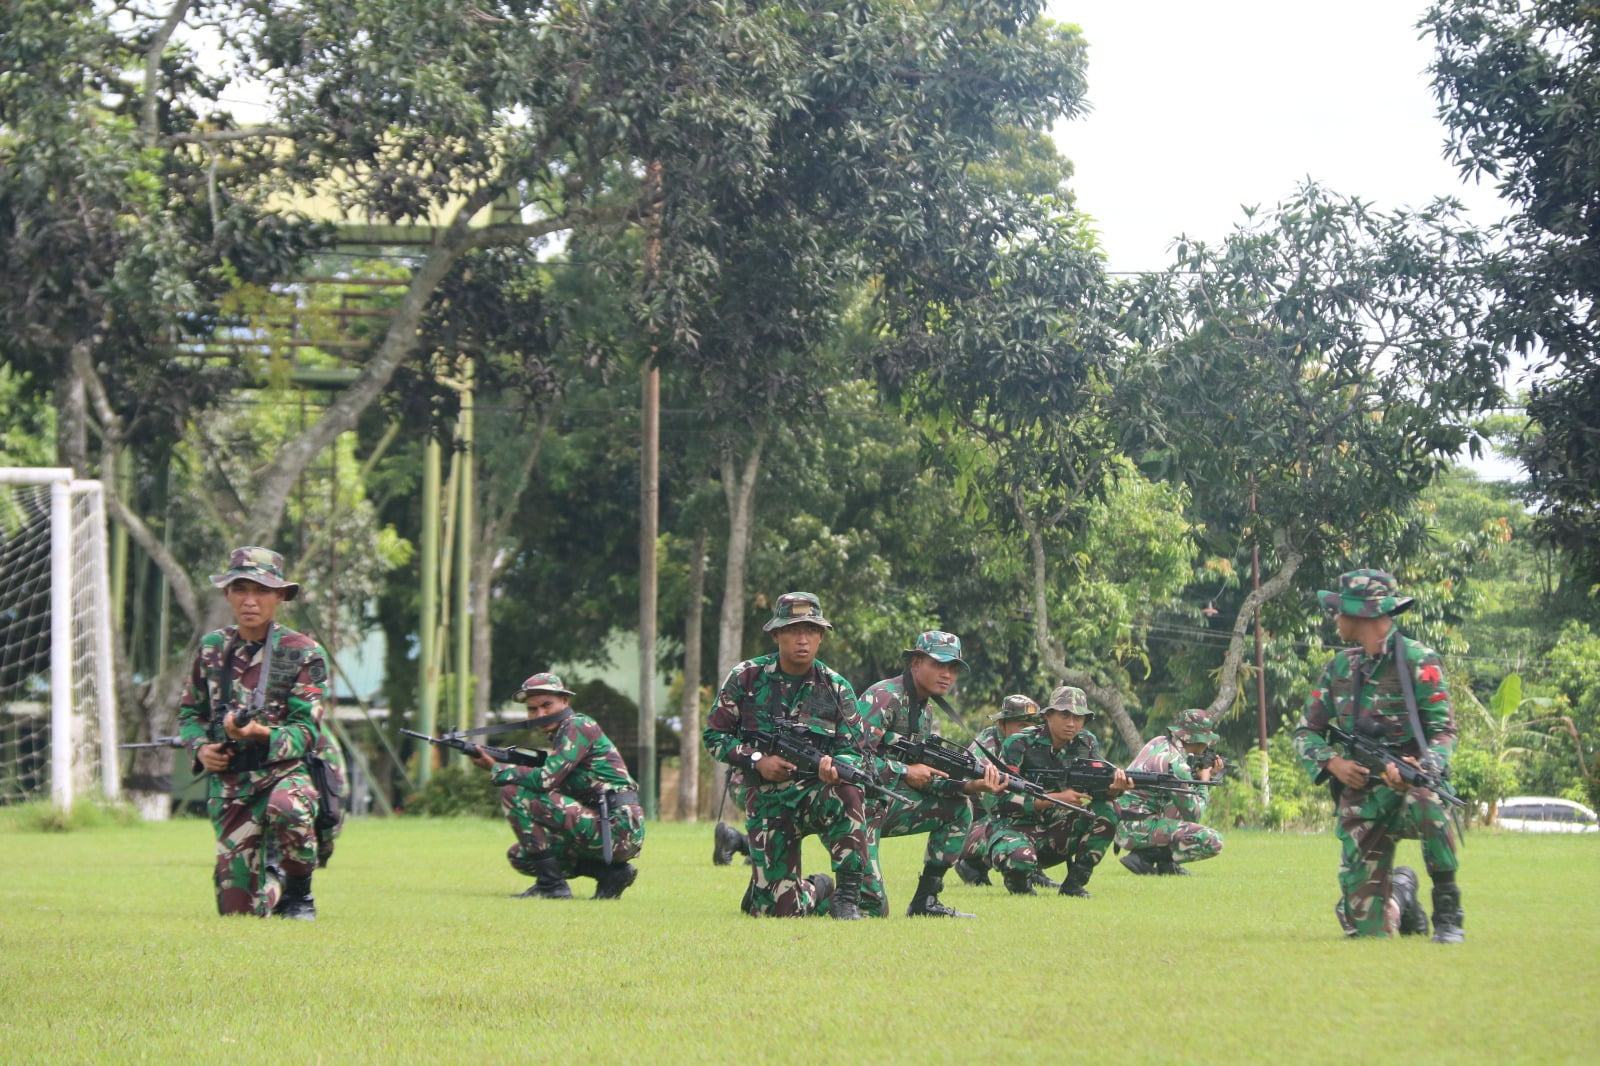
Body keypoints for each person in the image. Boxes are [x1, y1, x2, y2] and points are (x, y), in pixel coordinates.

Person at [1293, 568, 1463, 942]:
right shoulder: (1339, 668)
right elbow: (1306, 731)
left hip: (1410, 791)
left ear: (1361, 613)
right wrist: (1333, 763)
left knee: (1429, 803)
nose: (1335, 618)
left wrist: (1425, 766)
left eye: (1340, 610)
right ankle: (1403, 896)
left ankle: (1448, 914)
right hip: (1363, 802)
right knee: (1366, 929)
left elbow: (1444, 732)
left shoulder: (1420, 661)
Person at [178, 546, 329, 919]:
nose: (250, 600)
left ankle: (299, 894)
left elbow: (306, 731)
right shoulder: (213, 648)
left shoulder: (304, 652)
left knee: (288, 808)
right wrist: (200, 749)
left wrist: (262, 734)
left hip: (283, 772)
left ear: (279, 596)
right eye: (240, 589)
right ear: (226, 593)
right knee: (238, 913)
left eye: (261, 590)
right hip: (231, 783)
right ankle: (273, 878)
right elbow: (190, 712)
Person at [702, 591, 868, 918]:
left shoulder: (836, 688)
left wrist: (835, 767)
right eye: (793, 630)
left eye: (810, 630)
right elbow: (714, 735)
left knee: (850, 790)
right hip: (767, 800)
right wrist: (756, 761)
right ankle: (817, 887)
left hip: (816, 793)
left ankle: (847, 898)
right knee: (776, 912)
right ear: (777, 633)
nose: (802, 639)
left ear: (821, 636)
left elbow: (855, 750)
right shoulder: (746, 677)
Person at [857, 631, 1003, 918]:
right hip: (855, 809)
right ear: (915, 664)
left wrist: (969, 785)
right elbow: (851, 760)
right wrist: (904, 770)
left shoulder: (924, 711)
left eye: (952, 668)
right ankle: (820, 891)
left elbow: (924, 776)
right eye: (938, 664)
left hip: (885, 804)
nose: (946, 674)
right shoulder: (884, 697)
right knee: (873, 908)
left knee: (959, 808)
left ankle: (926, 901)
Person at [469, 672, 644, 901]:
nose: (540, 714)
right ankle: (610, 874)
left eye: (546, 705)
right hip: (601, 826)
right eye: (533, 709)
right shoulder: (562, 736)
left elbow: (545, 780)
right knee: (521, 855)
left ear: (565, 701)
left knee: (513, 792)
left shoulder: (578, 725)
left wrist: (497, 769)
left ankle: (551, 886)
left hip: (617, 828)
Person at [986, 685, 1129, 898]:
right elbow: (1001, 800)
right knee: (1020, 861)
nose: (1072, 723)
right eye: (1065, 715)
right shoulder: (1019, 743)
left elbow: (1098, 789)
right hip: (1014, 828)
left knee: (1108, 810)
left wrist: (1114, 790)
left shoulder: (1086, 743)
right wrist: (1056, 799)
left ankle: (1074, 884)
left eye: (1078, 717)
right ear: (1048, 715)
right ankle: (1019, 884)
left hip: (1057, 831)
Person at [1116, 707, 1225, 875]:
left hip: (1124, 824)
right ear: (1197, 738)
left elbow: (1175, 792)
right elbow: (1193, 814)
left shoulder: (1158, 742)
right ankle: (1145, 857)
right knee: (1213, 840)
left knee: (1177, 802)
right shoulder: (1177, 763)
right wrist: (1205, 781)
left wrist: (1196, 776)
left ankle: (1166, 866)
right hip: (1136, 829)